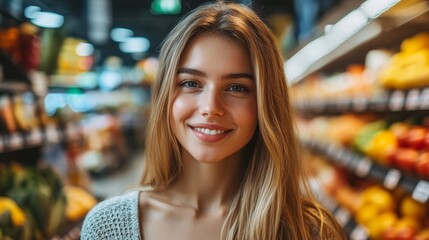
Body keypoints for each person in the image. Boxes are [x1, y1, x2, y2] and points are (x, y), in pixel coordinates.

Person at [81, 1, 346, 239]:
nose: (210, 108)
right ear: (165, 96)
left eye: (236, 88)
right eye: (191, 83)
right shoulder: (106, 227)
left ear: (266, 104)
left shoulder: (311, 231)